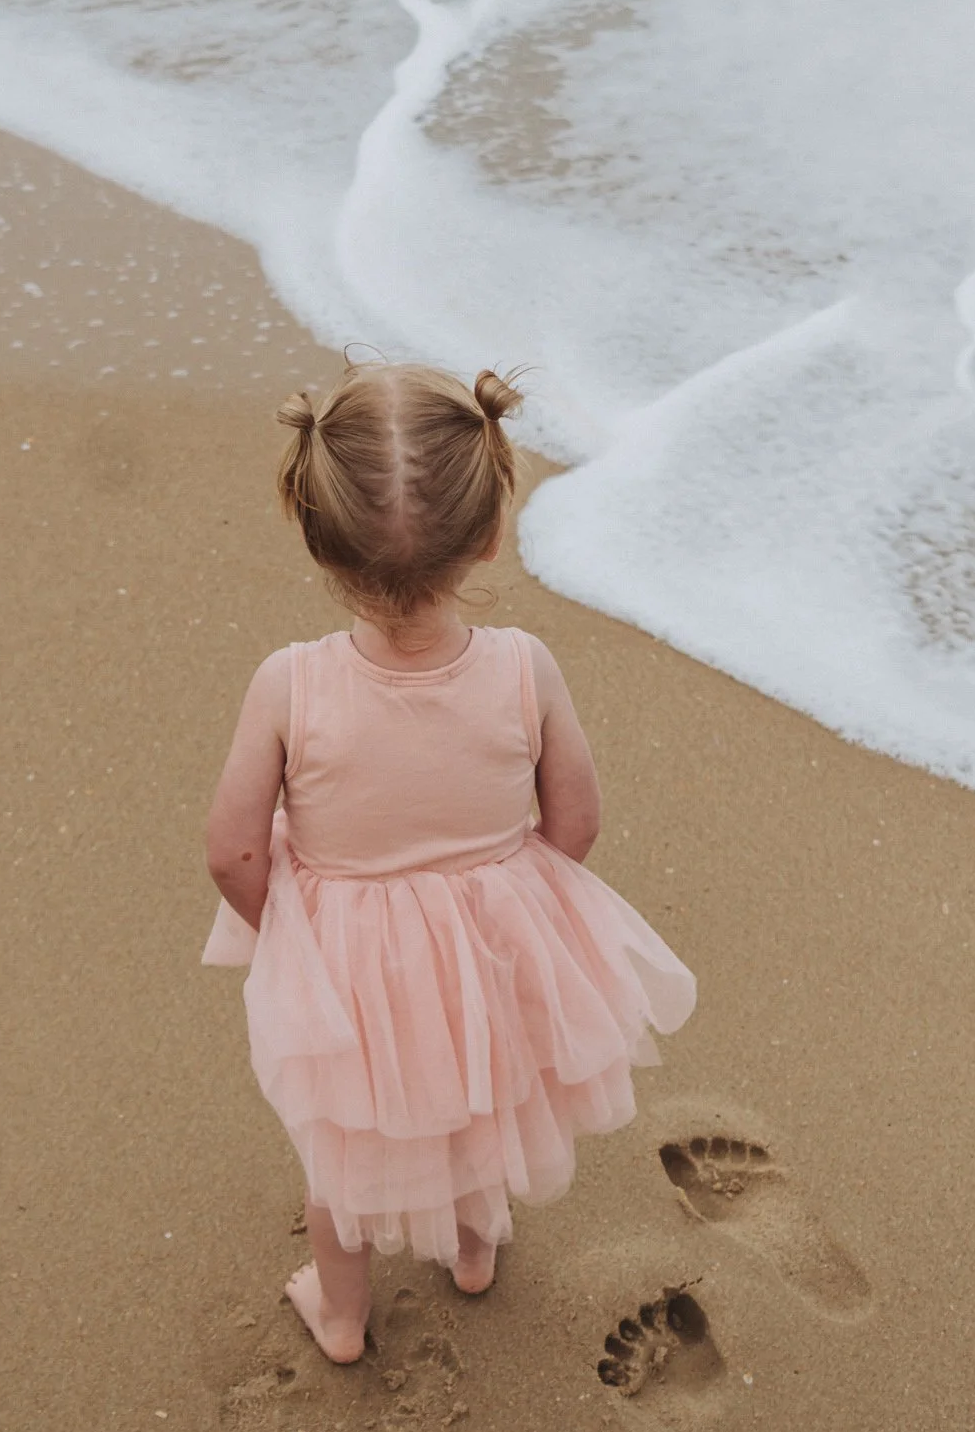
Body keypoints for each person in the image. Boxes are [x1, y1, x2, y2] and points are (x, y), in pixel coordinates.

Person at [203, 361, 695, 1364]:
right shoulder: (524, 665)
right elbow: (577, 816)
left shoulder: (289, 684)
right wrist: (520, 902)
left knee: (341, 1144)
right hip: (494, 940)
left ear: (310, 526)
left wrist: (284, 922)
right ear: (489, 531)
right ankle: (473, 1249)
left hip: (346, 957)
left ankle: (341, 1315)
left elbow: (235, 846)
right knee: (475, 1096)